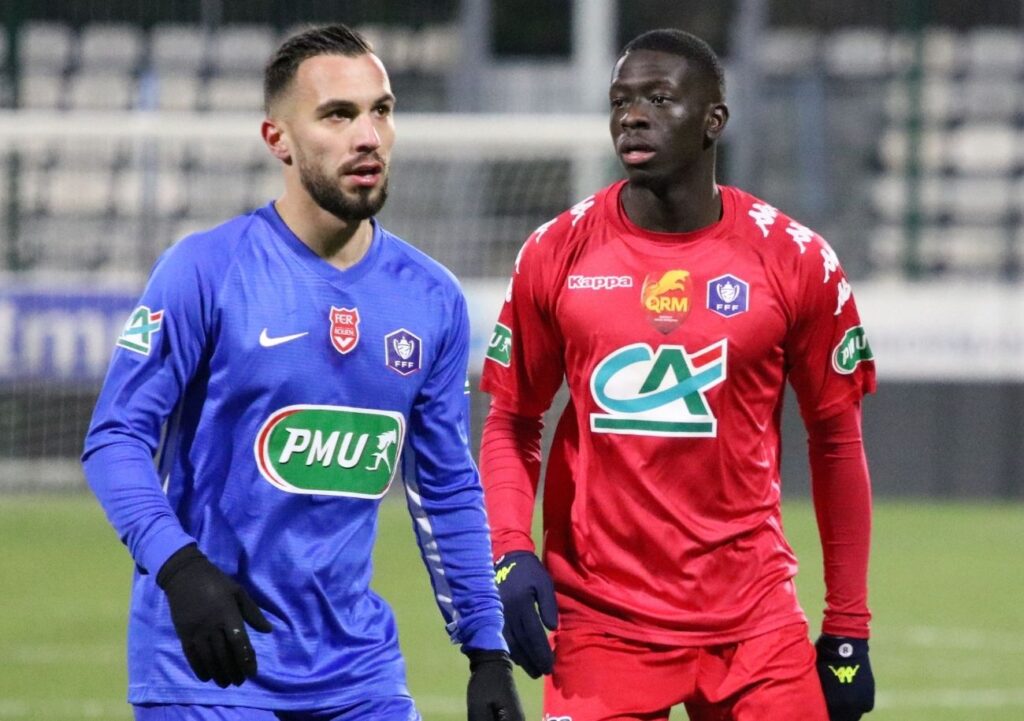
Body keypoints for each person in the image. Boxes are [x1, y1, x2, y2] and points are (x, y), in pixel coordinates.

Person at [82, 24, 524, 721]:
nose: (369, 135)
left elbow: (444, 486)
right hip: (212, 667)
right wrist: (180, 567)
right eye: (338, 115)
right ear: (277, 139)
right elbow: (114, 439)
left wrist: (486, 650)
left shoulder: (429, 297)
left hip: (359, 673)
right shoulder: (206, 271)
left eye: (381, 109)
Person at [480, 28, 876, 721]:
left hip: (754, 624)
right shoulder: (555, 251)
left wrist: (848, 626)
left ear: (713, 121)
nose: (633, 115)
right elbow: (514, 420)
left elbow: (836, 442)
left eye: (660, 99)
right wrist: (510, 550)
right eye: (621, 101)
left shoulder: (797, 259)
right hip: (603, 623)